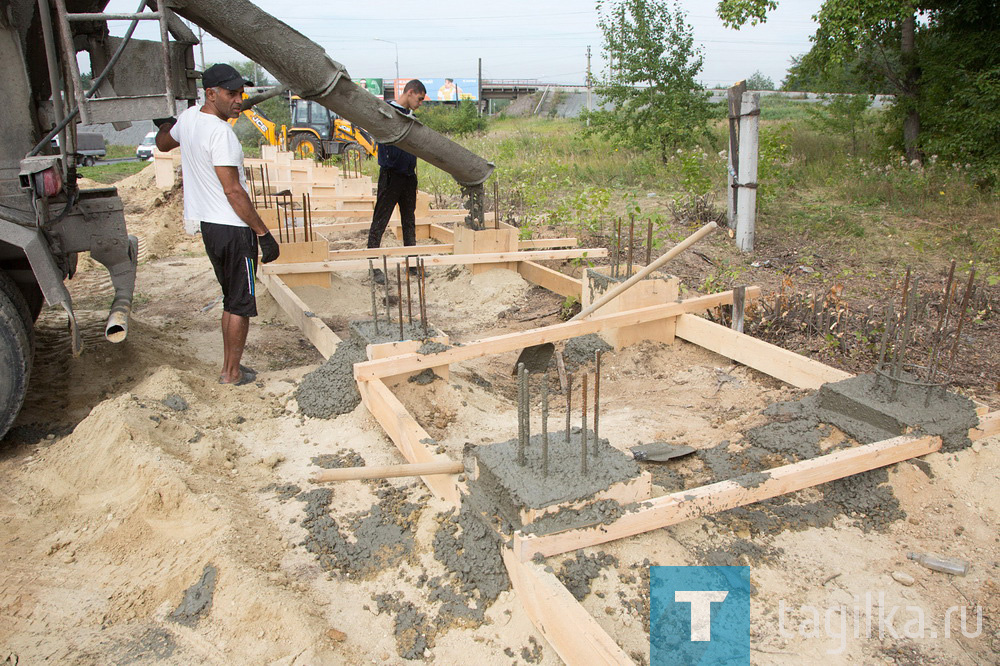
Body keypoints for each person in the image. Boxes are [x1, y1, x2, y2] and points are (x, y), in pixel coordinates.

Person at [154, 63, 280, 385]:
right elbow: (233, 191)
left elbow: (163, 143)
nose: (239, 100)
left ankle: (228, 368)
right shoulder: (221, 133)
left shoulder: (189, 120)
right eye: (231, 93)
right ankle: (233, 375)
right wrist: (263, 233)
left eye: (241, 93)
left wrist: (165, 123)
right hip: (234, 229)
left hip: (210, 228)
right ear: (211, 94)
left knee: (231, 300)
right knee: (240, 305)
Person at [367, 79, 427, 284]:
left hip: (409, 177)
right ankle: (373, 266)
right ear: (410, 93)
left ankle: (411, 265)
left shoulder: (412, 118)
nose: (420, 103)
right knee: (380, 220)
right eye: (419, 99)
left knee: (409, 221)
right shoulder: (387, 112)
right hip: (391, 175)